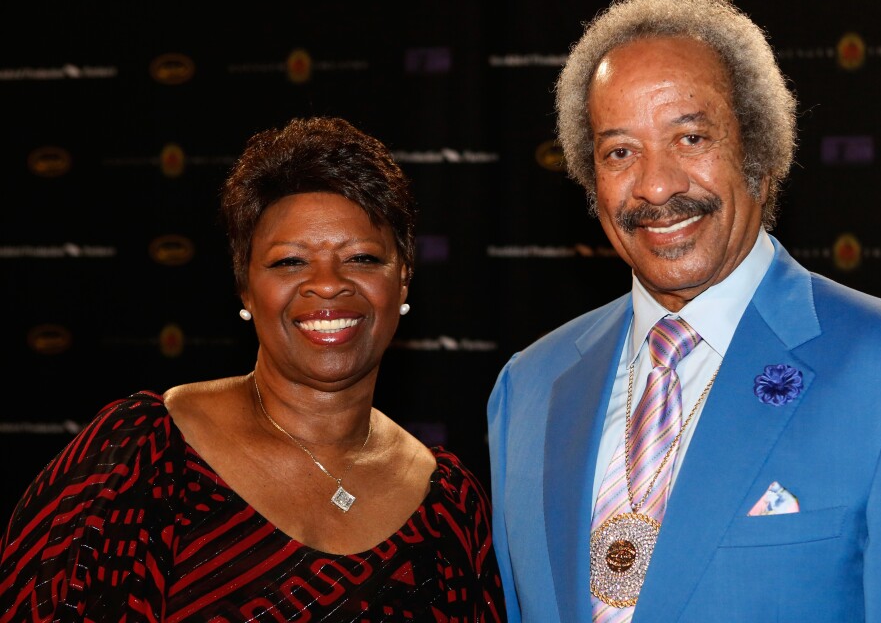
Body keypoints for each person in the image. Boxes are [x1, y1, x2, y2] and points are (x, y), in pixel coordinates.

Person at [486, 0, 881, 622]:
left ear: (758, 158)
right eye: (620, 152)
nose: (655, 185)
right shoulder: (530, 389)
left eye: (690, 138)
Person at [1, 116, 506, 621]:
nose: (327, 285)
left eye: (362, 258)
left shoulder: (450, 508)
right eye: (289, 262)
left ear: (403, 282)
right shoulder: (143, 454)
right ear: (245, 288)